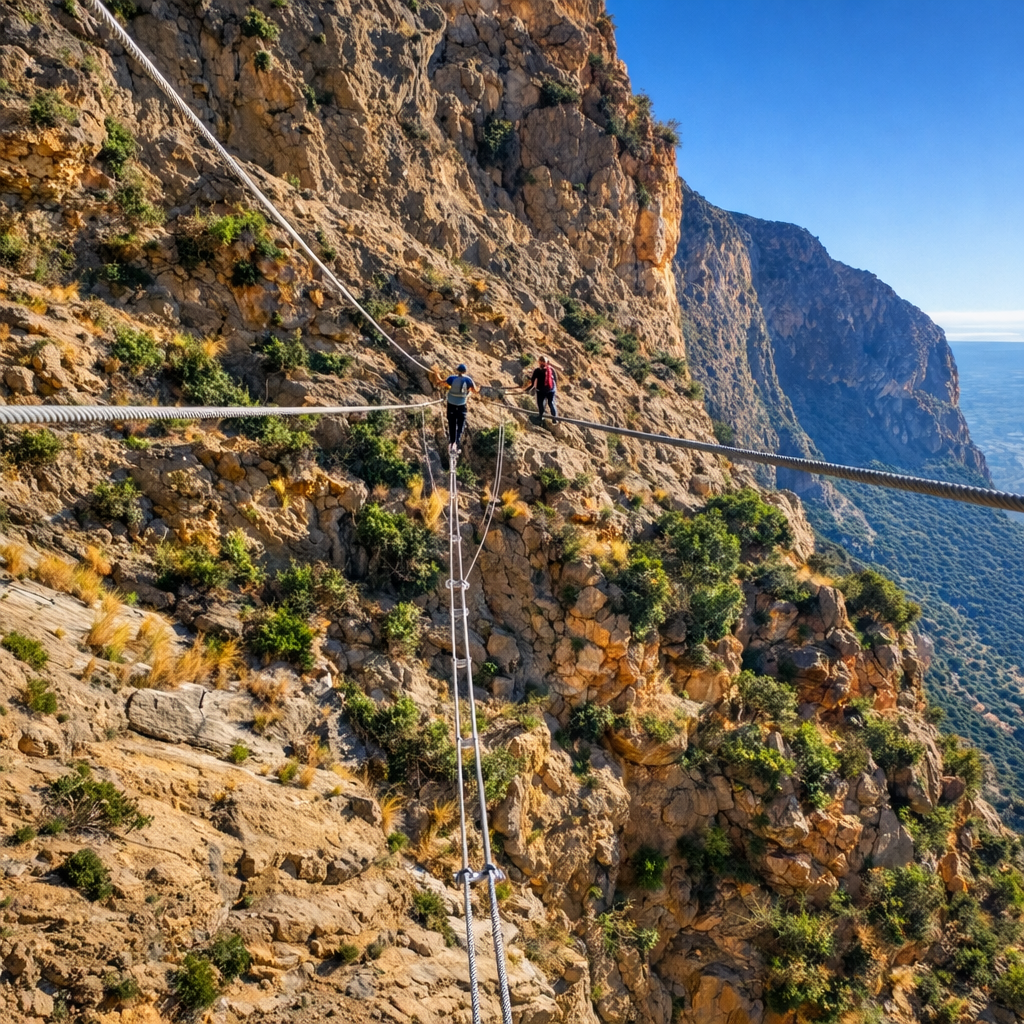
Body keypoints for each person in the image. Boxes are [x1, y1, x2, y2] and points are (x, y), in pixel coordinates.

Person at [437, 362, 476, 452]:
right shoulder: (468, 380)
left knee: (452, 424)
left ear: (457, 370)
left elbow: (441, 382)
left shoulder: (452, 378)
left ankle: (452, 443)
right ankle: (456, 443)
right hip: (462, 405)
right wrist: (471, 392)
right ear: (465, 371)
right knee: (461, 425)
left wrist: (437, 373)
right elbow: (475, 390)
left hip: (451, 404)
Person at [522, 355, 558, 423]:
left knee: (540, 403)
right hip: (551, 389)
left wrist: (526, 390)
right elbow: (555, 380)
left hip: (541, 390)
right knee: (551, 403)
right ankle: (554, 419)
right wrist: (554, 388)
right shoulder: (551, 369)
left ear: (539, 362)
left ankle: (541, 416)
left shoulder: (537, 371)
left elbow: (532, 384)